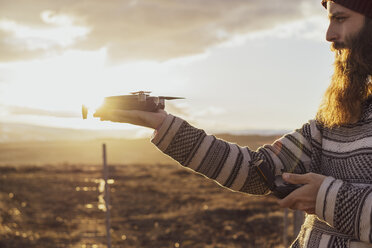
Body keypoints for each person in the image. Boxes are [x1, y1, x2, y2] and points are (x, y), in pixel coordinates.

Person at [94, 0, 372, 247]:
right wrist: (165, 125)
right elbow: (258, 172)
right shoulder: (339, 117)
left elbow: (327, 198)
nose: (329, 35)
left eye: (340, 18)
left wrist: (328, 199)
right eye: (329, 20)